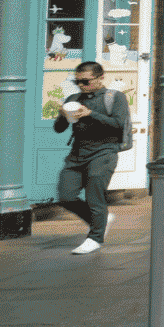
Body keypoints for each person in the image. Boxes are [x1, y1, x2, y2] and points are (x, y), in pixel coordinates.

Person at [53, 61, 130, 254]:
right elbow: (59, 129)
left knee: (94, 196)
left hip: (104, 152)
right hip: (77, 154)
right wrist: (62, 115)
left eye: (85, 82)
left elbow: (119, 125)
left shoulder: (115, 97)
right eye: (77, 81)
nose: (81, 86)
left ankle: (95, 238)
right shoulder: (74, 97)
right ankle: (101, 220)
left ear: (100, 77)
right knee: (66, 196)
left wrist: (90, 114)